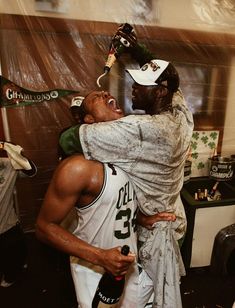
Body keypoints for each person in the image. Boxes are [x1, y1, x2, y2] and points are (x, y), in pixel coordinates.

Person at [59, 26, 194, 308]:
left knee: (149, 294)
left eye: (141, 83)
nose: (132, 88)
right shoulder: (181, 112)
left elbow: (68, 139)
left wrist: (84, 118)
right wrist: (136, 49)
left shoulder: (139, 129)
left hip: (155, 237)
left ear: (160, 92)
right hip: (172, 219)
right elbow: (173, 82)